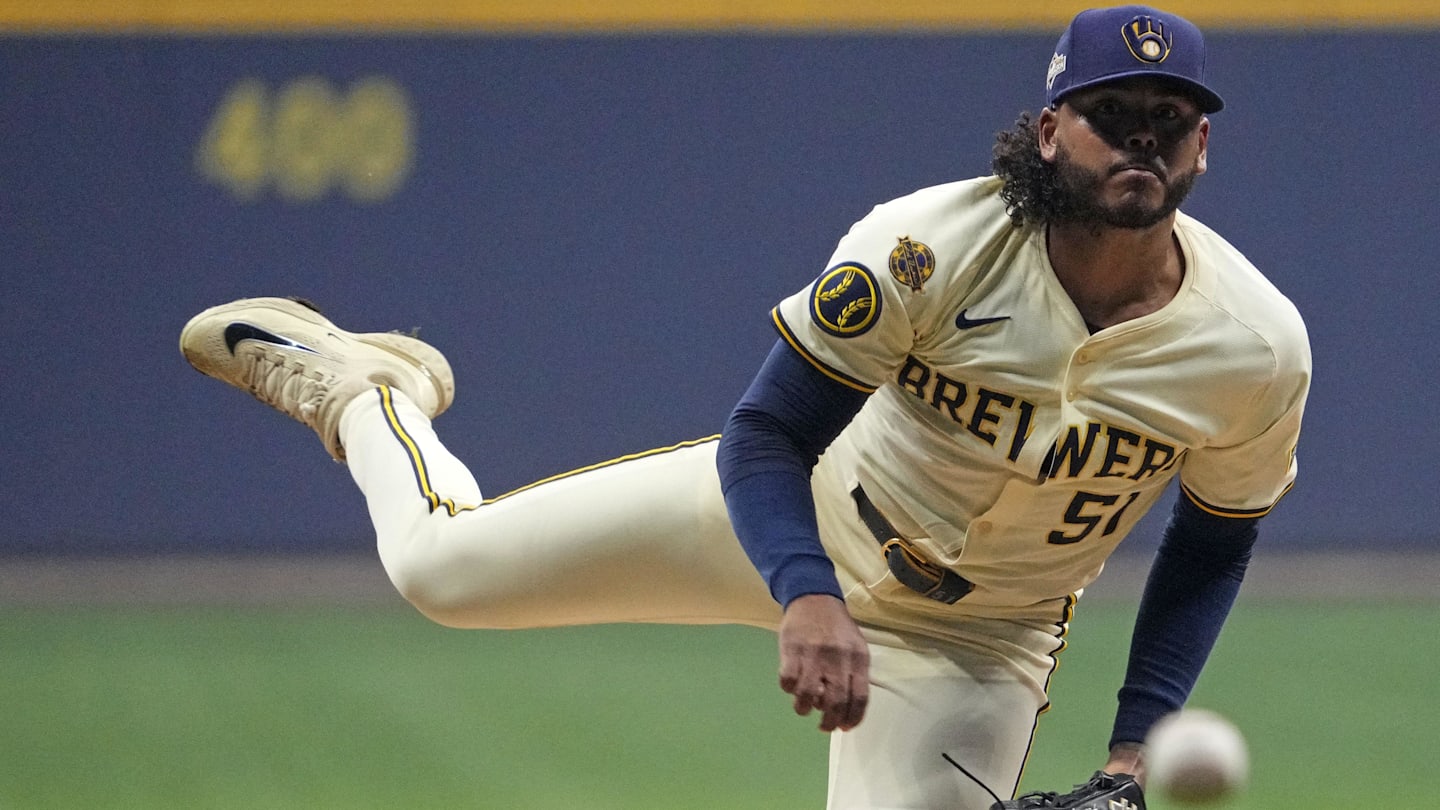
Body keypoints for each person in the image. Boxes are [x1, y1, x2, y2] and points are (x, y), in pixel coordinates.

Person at [179, 5, 1310, 809]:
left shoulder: (1251, 345)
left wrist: (1131, 753)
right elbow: (768, 432)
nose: (1144, 139)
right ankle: (370, 389)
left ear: (1204, 144)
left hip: (976, 641)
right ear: (1055, 127)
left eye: (1171, 118)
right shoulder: (929, 249)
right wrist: (806, 593)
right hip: (803, 516)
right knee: (437, 573)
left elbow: (1213, 544)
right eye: (1116, 112)